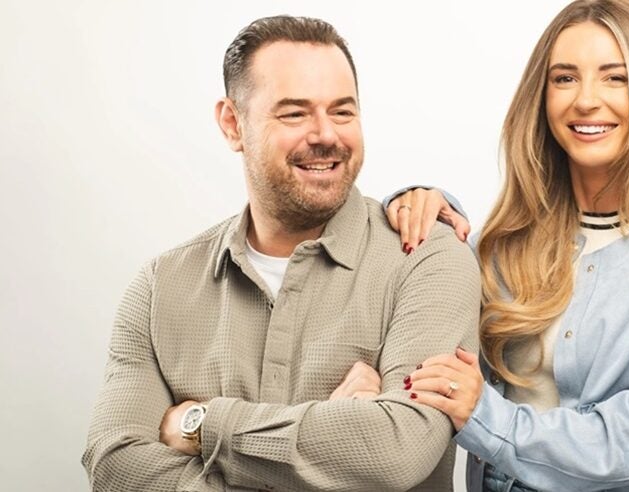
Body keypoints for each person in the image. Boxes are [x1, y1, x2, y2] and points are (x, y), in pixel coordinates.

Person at [81, 15, 480, 491]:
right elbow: (113, 465)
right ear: (233, 124)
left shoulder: (428, 258)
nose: (325, 134)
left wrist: (201, 425)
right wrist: (331, 434)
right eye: (294, 113)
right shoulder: (158, 288)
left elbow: (395, 451)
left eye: (343, 111)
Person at [386, 0, 629, 490]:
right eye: (564, 78)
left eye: (615, 77)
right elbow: (418, 327)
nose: (585, 100)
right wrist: (418, 210)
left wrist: (489, 419)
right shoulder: (505, 241)